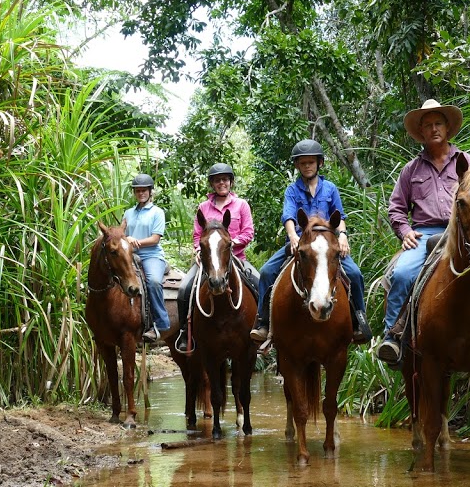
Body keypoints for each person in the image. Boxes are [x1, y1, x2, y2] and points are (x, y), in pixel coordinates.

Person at [376, 100, 470, 364]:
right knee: (402, 273)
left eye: (438, 124)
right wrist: (405, 231)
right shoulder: (411, 170)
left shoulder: (469, 163)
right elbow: (396, 207)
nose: (433, 129)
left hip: (466, 231)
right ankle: (393, 336)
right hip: (425, 232)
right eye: (428, 125)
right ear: (421, 132)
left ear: (447, 128)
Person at [250, 139, 372, 345]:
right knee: (266, 271)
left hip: (327, 242)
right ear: (297, 165)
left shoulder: (330, 188)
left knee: (354, 274)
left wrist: (342, 235)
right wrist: (293, 236)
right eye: (303, 163)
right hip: (303, 242)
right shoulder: (292, 190)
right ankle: (264, 322)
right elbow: (288, 216)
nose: (307, 166)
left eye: (311, 162)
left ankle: (358, 320)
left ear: (319, 163)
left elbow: (339, 215)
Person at [175, 163, 258, 354]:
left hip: (236, 257)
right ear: (212, 184)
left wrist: (228, 244)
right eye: (217, 180)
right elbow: (197, 235)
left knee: (260, 283)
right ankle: (184, 333)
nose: (222, 183)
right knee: (184, 289)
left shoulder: (241, 205)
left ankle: (262, 330)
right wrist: (198, 249)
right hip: (208, 261)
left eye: (225, 179)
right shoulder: (203, 208)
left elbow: (248, 232)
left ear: (231, 182)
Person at [123, 173, 172, 344]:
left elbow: (155, 239)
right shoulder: (128, 213)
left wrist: (135, 242)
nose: (141, 193)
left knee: (153, 282)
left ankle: (161, 323)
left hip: (151, 255)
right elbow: (123, 236)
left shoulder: (157, 212)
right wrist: (125, 240)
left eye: (144, 190)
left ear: (150, 192)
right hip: (130, 256)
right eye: (138, 191)